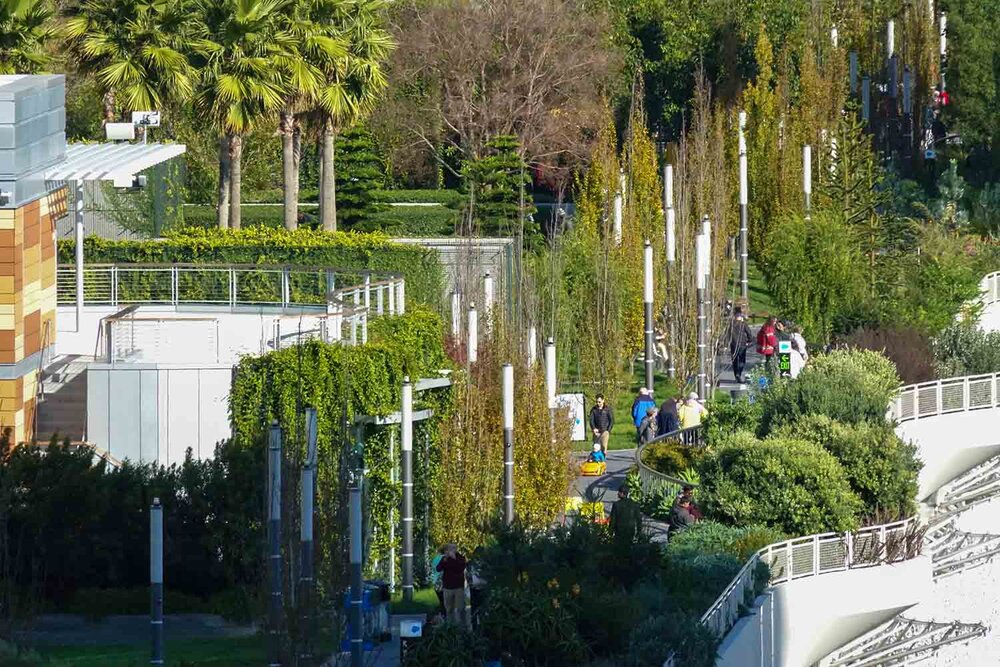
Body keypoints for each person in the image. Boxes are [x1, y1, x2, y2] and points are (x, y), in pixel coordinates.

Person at [436, 544, 468, 626]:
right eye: (449, 548)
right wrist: (445, 559)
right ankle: (450, 626)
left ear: (456, 549)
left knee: (459, 609)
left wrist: (454, 558)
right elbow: (438, 568)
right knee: (449, 609)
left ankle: (461, 627)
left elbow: (460, 568)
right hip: (447, 587)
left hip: (458, 587)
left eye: (453, 548)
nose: (451, 550)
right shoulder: (445, 559)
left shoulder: (460, 558)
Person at [728, 308, 753, 383]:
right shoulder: (743, 324)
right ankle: (739, 373)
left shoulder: (731, 324)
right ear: (740, 315)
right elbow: (749, 333)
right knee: (742, 360)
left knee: (735, 360)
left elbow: (728, 334)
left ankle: (736, 375)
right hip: (742, 343)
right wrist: (750, 340)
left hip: (733, 344)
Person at [430, 545, 446, 616]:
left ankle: (441, 615)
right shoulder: (445, 559)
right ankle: (444, 616)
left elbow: (433, 569)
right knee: (445, 602)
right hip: (443, 582)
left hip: (436, 582)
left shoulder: (435, 559)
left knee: (441, 601)